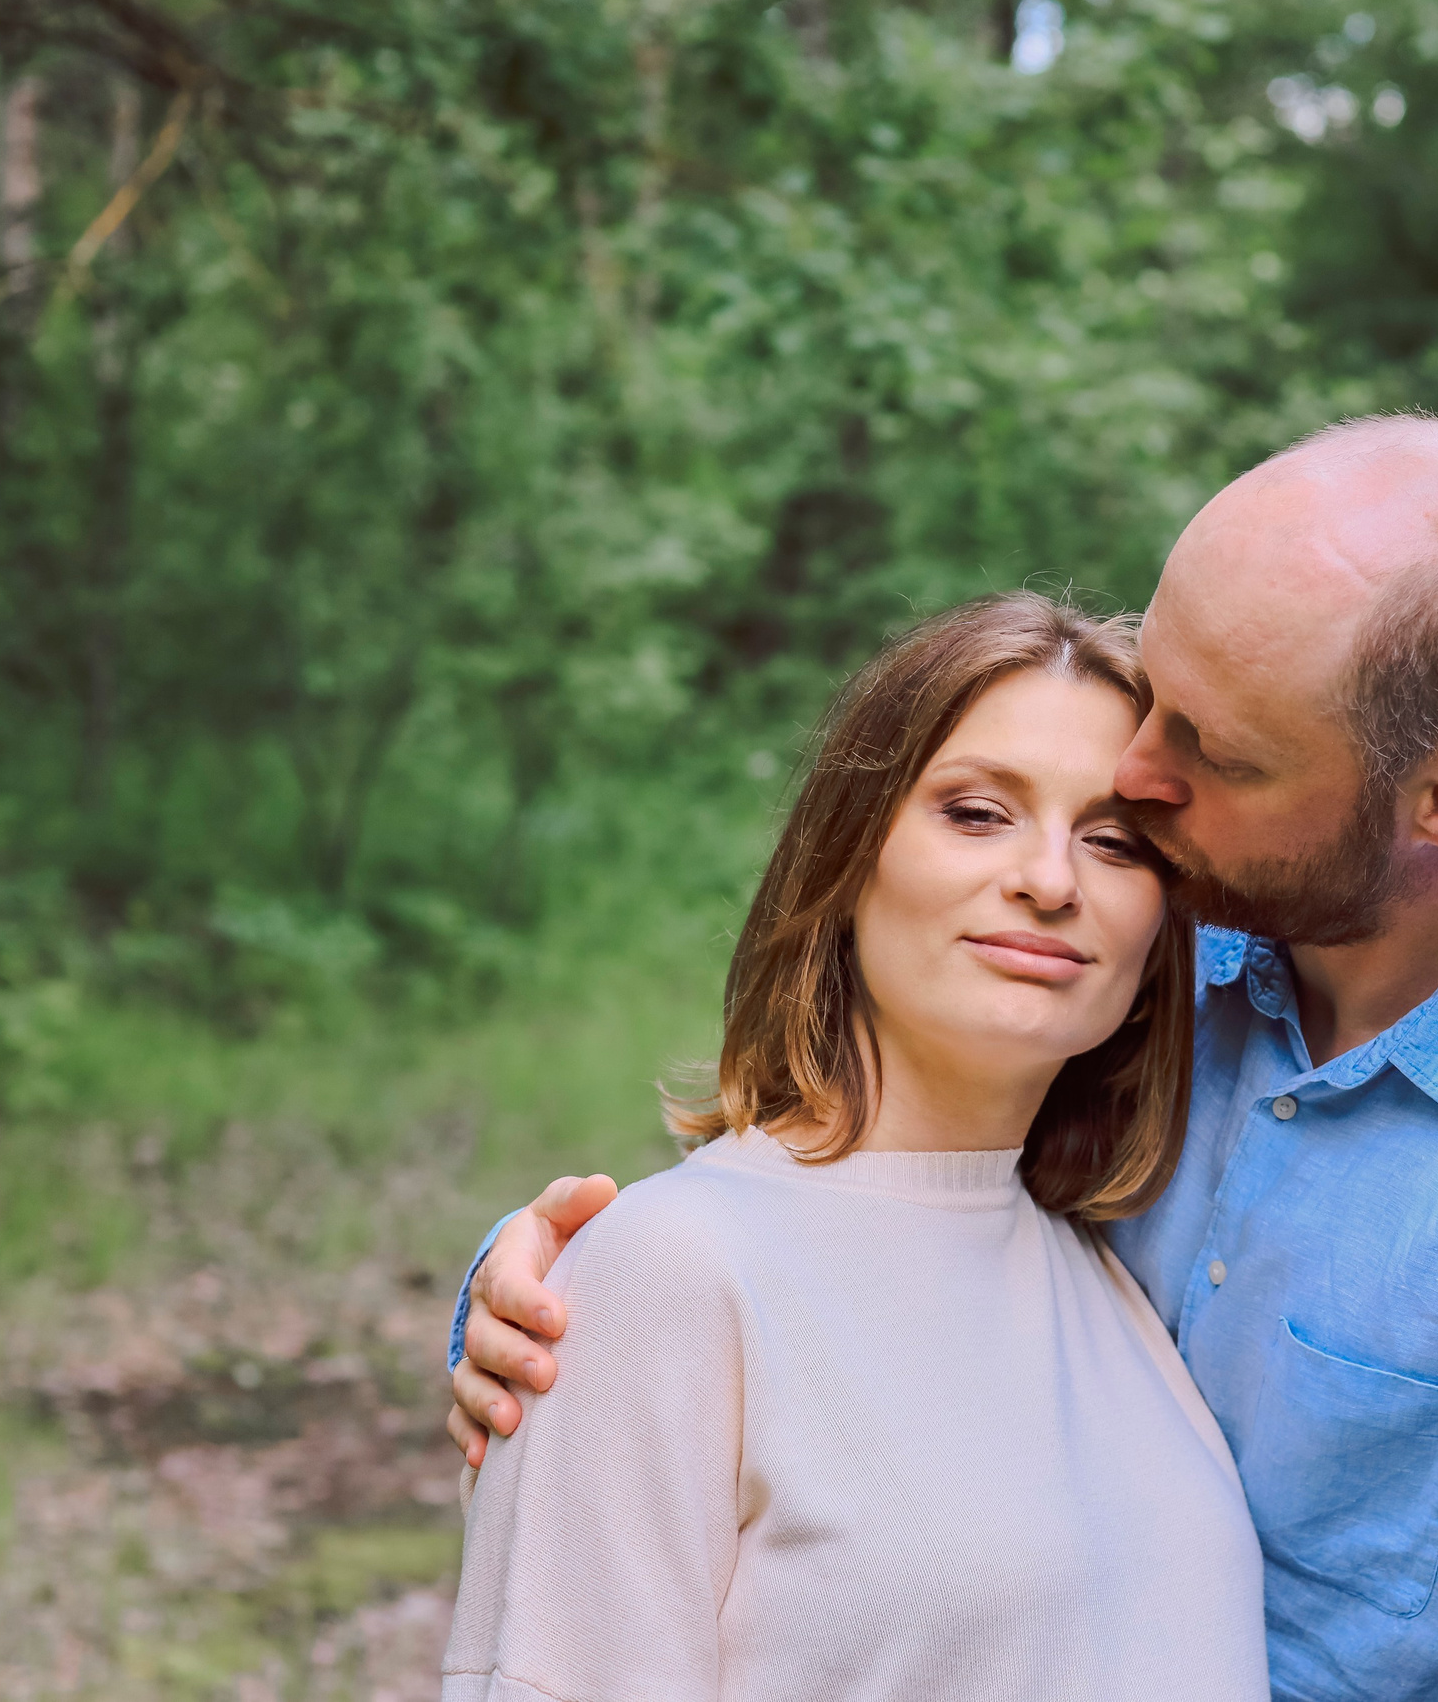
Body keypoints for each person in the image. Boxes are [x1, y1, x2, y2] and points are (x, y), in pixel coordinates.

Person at [447, 415, 1438, 1700]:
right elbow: (835, 1244)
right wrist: (570, 1317)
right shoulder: (1174, 939)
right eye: (1155, 691)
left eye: (1211, 750)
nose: (1138, 782)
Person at [440, 594, 1271, 1702]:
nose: (1050, 879)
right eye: (977, 812)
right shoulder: (668, 1273)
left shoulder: (1118, 1270)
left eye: (1113, 840)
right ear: (847, 859)